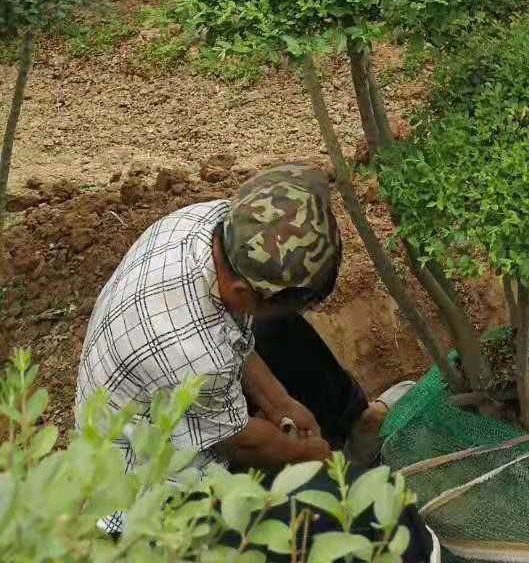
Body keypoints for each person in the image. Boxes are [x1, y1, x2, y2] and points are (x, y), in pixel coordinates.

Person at [76, 162, 434, 557]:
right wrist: (310, 455)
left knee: (276, 327)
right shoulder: (197, 355)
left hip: (158, 397)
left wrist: (279, 402)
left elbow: (237, 336)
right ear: (241, 291)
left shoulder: (209, 224)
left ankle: (352, 424)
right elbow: (240, 443)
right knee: (352, 514)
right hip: (148, 507)